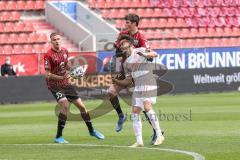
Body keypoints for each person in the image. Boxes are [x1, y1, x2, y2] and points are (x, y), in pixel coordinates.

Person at [44, 33, 104, 143]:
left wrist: (75, 71)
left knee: (82, 107)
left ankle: (92, 130)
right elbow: (47, 74)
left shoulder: (65, 51)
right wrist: (61, 76)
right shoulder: (48, 55)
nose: (57, 41)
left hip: (65, 83)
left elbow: (66, 65)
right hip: (54, 84)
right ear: (51, 41)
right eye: (54, 40)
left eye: (58, 39)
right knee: (65, 105)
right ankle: (58, 137)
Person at [108, 13, 159, 144]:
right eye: (125, 22)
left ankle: (156, 132)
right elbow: (118, 52)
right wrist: (117, 66)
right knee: (111, 92)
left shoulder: (141, 37)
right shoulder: (122, 35)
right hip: (126, 68)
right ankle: (120, 116)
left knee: (142, 105)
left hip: (139, 72)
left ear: (135, 23)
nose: (125, 24)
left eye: (128, 22)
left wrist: (144, 55)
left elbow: (149, 53)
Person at [112, 35, 164, 147]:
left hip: (148, 80)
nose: (121, 46)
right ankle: (139, 141)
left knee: (147, 106)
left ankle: (159, 135)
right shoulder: (126, 63)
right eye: (121, 45)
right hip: (138, 85)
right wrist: (117, 81)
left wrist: (144, 54)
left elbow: (155, 54)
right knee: (135, 111)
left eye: (123, 44)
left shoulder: (139, 50)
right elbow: (128, 81)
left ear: (130, 44)